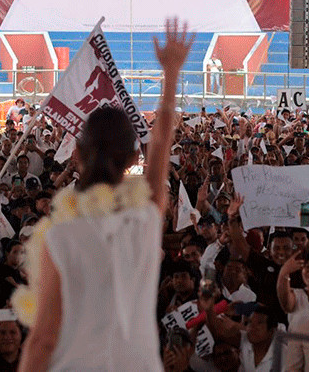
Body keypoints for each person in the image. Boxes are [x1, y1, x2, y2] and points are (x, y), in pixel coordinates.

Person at [18, 19, 193, 370]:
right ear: (132, 159)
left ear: (77, 156)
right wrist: (171, 74)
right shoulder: (146, 220)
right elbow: (159, 147)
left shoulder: (61, 236)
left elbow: (44, 339)